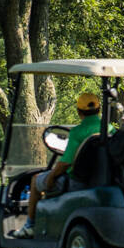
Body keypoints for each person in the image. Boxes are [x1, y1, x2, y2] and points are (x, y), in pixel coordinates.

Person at [13, 92, 104, 238]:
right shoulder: (110, 129)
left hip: (76, 181)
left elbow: (65, 164)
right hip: (98, 180)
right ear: (99, 109)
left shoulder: (77, 132)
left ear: (79, 111)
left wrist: (51, 176)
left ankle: (30, 226)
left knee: (36, 180)